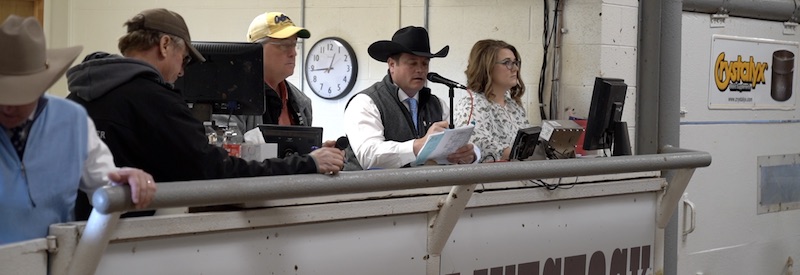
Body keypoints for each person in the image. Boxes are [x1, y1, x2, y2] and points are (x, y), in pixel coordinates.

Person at [65, 9, 344, 186]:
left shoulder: (80, 95)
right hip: (134, 233)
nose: (183, 70)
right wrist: (307, 163)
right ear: (164, 46)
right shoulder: (157, 101)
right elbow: (216, 169)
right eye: (183, 58)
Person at [0, 15, 156, 244]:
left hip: (53, 259)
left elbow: (104, 185)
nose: (7, 106)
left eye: (19, 95)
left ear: (41, 84)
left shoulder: (72, 121)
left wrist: (125, 184)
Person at [342, 26, 478, 170]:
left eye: (425, 63)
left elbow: (460, 144)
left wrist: (470, 155)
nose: (420, 69)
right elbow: (369, 155)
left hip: (428, 189)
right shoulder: (365, 102)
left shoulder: (437, 104)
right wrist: (419, 145)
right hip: (370, 190)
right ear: (392, 65)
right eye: (412, 63)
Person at [214, 12, 313, 131]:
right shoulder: (231, 98)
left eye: (294, 45)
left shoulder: (301, 102)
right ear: (256, 50)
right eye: (284, 45)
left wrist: (318, 148)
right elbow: (227, 147)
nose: (293, 53)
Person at [454, 39, 531, 162]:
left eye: (515, 62)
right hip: (489, 179)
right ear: (487, 67)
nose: (515, 68)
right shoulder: (471, 104)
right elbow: (479, 144)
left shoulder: (514, 106)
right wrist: (521, 154)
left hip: (519, 176)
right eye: (507, 62)